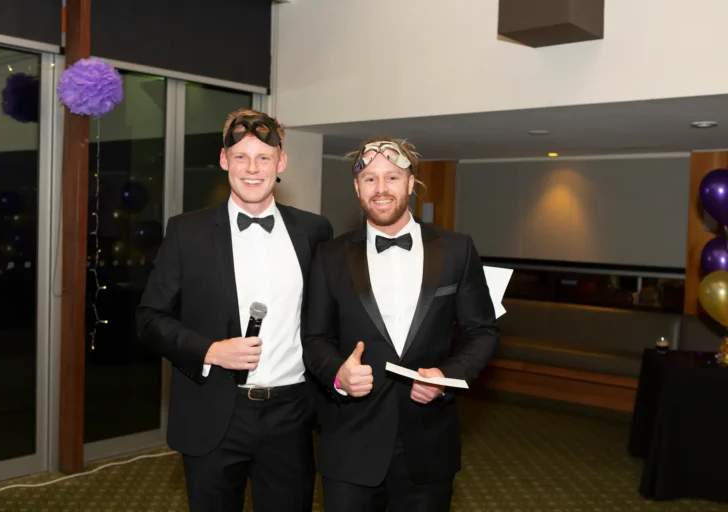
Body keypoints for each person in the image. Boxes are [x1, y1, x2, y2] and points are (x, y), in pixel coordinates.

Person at [137, 108, 332, 512]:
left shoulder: (314, 231)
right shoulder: (186, 231)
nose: (252, 169)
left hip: (291, 414)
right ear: (224, 160)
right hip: (212, 412)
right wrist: (210, 351)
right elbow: (149, 319)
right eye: (241, 156)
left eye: (263, 157)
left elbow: (327, 318)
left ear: (281, 162)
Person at [302, 137, 500, 512]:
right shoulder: (329, 255)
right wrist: (337, 375)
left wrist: (445, 377)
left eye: (392, 177)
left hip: (428, 444)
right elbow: (315, 338)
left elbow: (482, 331)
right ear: (357, 188)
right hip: (350, 442)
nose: (381, 188)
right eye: (370, 179)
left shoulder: (457, 249)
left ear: (410, 184)